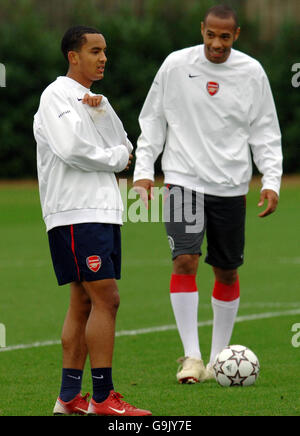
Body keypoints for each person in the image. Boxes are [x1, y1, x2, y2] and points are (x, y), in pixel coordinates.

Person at [133, 4, 282, 384]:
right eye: (211, 35)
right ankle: (192, 357)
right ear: (202, 30)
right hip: (183, 179)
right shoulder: (175, 65)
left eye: (225, 37)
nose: (217, 44)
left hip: (231, 186)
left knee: (226, 270)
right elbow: (152, 119)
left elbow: (265, 129)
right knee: (184, 261)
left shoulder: (251, 72)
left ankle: (218, 357)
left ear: (237, 35)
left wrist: (271, 180)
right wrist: (144, 172)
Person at [34, 25, 151, 415]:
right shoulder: (56, 96)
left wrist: (101, 115)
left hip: (101, 212)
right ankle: (102, 399)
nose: (103, 58)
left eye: (105, 51)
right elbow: (72, 150)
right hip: (75, 212)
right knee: (108, 297)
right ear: (73, 56)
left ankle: (68, 399)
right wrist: (114, 156)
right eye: (95, 51)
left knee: (83, 302)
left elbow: (126, 146)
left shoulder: (96, 100)